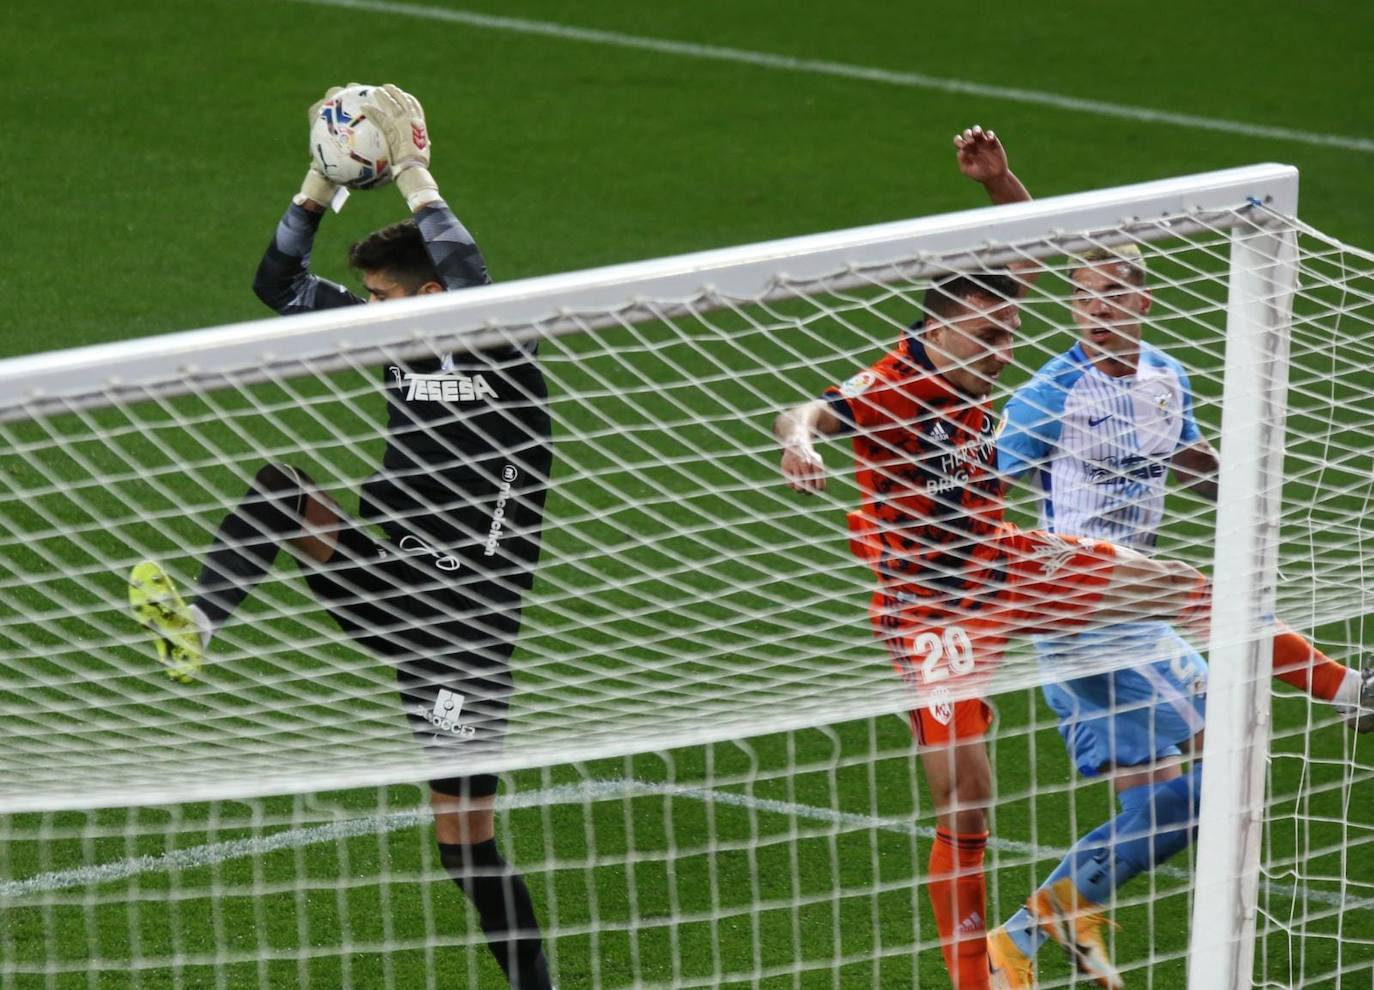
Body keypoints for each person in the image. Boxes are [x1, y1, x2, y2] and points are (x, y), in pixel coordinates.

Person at [773, 133, 1368, 990]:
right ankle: (982, 973)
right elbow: (807, 413)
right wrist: (802, 448)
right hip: (932, 607)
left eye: (1013, 331)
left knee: (1183, 588)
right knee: (966, 794)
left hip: (1009, 562)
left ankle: (1351, 691)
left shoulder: (1095, 364)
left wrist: (1001, 182)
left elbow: (1030, 238)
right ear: (940, 327)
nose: (1004, 352)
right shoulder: (894, 386)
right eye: (988, 338)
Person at [127, 85, 556, 990]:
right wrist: (317, 187)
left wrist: (411, 174)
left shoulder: (503, 349)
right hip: (386, 578)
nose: (365, 311)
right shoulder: (390, 342)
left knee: (465, 844)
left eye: (380, 296)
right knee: (284, 491)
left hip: (466, 625)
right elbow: (275, 285)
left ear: (429, 296)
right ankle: (197, 625)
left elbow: (470, 281)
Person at [949, 126, 1374, 990]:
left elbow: (1186, 460)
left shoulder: (1165, 378)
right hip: (1074, 609)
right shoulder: (1051, 394)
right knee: (1218, 663)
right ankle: (1353, 694)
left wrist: (1240, 486)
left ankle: (1034, 935)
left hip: (1130, 601)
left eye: (1113, 293)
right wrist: (1012, 567)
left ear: (1142, 302)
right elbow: (977, 489)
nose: (1097, 307)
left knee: (1174, 801)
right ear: (1074, 307)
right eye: (1085, 297)